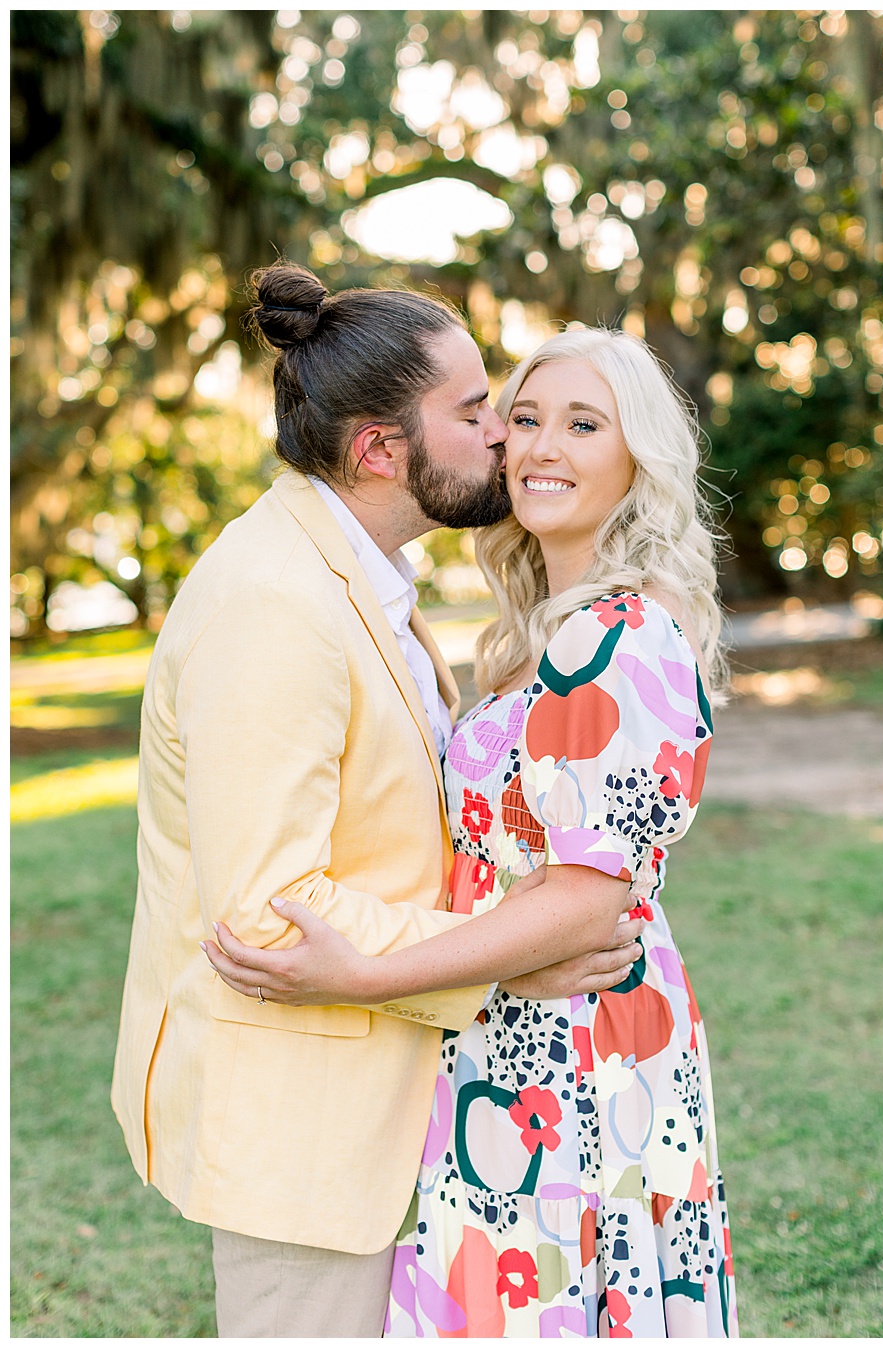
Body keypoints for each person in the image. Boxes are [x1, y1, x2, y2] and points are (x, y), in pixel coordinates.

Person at [112, 264, 642, 1338]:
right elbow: (266, 916)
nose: (506, 435)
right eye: (474, 411)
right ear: (380, 450)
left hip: (399, 1102)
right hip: (302, 1129)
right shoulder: (274, 603)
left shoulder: (354, 571)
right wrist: (497, 953)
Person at [204, 327, 738, 1336]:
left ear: (641, 457)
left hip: (574, 1046)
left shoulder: (616, 632)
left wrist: (364, 974)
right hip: (513, 1023)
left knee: (547, 1305)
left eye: (584, 423)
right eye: (523, 418)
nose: (538, 444)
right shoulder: (550, 625)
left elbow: (589, 891)